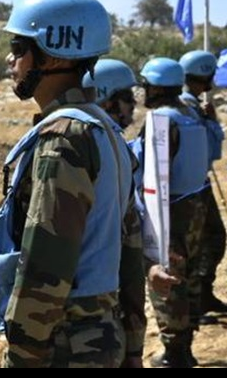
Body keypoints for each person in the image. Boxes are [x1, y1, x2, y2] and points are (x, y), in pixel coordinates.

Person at [0, 0, 131, 368]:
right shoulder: (104, 129)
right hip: (98, 335)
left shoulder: (64, 138)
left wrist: (22, 355)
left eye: (19, 48)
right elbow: (130, 245)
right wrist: (135, 343)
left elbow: (46, 262)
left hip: (64, 343)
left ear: (55, 55)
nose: (10, 59)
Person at [82, 58, 178, 368]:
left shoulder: (114, 146)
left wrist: (150, 264)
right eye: (127, 98)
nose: (134, 106)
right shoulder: (90, 150)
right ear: (107, 100)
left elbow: (129, 231)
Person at [130, 58, 209, 368]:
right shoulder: (191, 115)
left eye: (146, 86)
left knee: (166, 278)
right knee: (187, 275)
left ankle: (175, 353)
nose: (143, 92)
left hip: (169, 210)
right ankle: (184, 346)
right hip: (195, 207)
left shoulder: (161, 121)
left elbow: (149, 171)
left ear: (157, 88)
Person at [177, 49, 227, 318]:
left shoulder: (184, 106)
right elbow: (213, 150)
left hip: (194, 184)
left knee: (207, 241)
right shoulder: (191, 109)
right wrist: (212, 120)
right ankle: (195, 301)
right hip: (194, 187)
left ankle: (201, 296)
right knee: (207, 242)